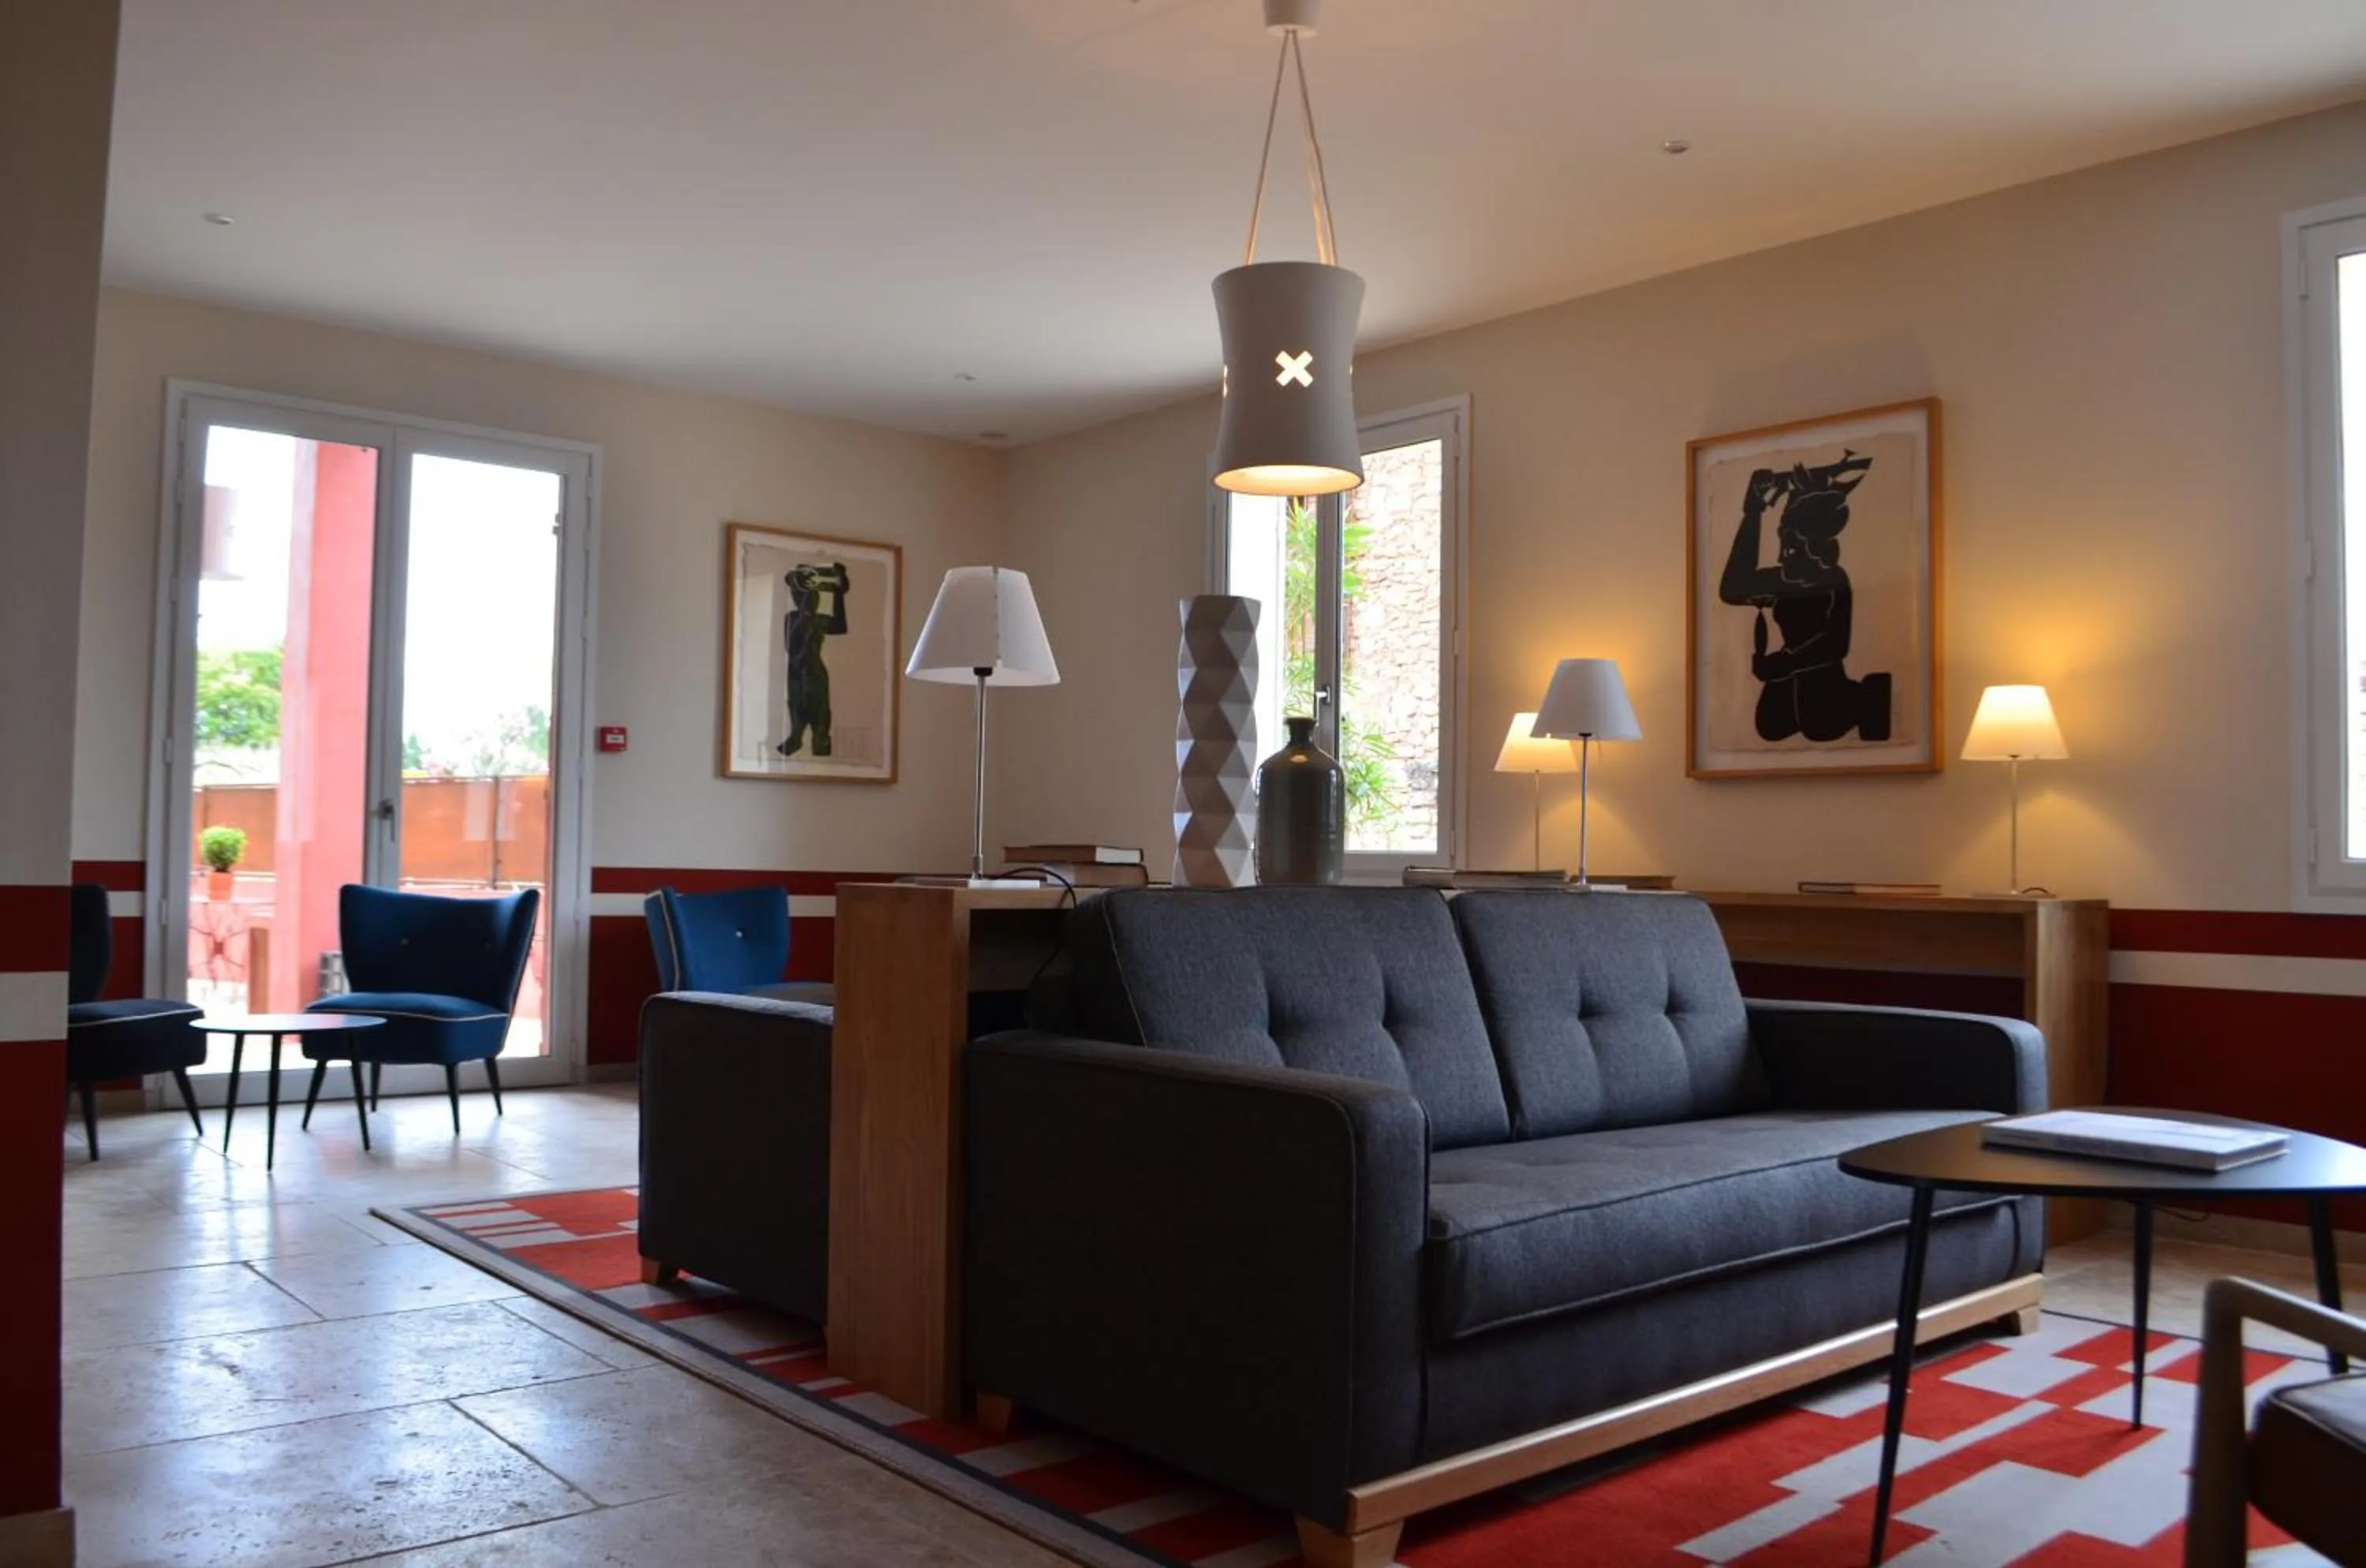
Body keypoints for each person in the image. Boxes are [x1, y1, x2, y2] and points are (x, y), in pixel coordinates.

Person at [1716, 454, 1891, 744]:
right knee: (1769, 726)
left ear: (1814, 544)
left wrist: (1783, 662)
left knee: (1820, 726)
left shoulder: (1833, 580)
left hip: (1823, 682)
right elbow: (1733, 589)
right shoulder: (1785, 580)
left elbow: (1836, 644)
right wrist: (1754, 511)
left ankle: (1866, 695)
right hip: (1790, 683)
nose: (1782, 555)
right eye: (1783, 543)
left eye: (1791, 547)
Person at [778, 562, 850, 757]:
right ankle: (797, 738)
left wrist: (839, 595)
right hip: (797, 673)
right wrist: (806, 616)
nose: (797, 596)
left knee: (820, 718)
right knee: (796, 711)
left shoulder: (817, 619)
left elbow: (840, 626)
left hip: (814, 673)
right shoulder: (793, 618)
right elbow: (792, 647)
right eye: (796, 592)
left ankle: (820, 742)